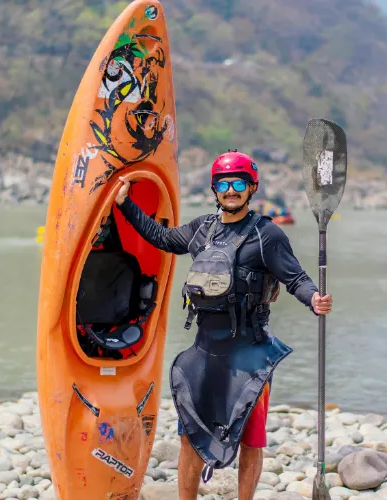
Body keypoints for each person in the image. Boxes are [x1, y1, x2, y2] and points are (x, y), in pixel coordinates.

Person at [114, 150, 332, 500]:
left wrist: (313, 299)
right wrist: (125, 205)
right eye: (224, 184)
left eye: (238, 183)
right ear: (215, 189)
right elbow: (160, 237)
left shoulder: (267, 236)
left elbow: (296, 278)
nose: (231, 190)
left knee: (251, 438)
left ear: (251, 188)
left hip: (251, 351)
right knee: (190, 435)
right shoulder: (201, 229)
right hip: (205, 350)